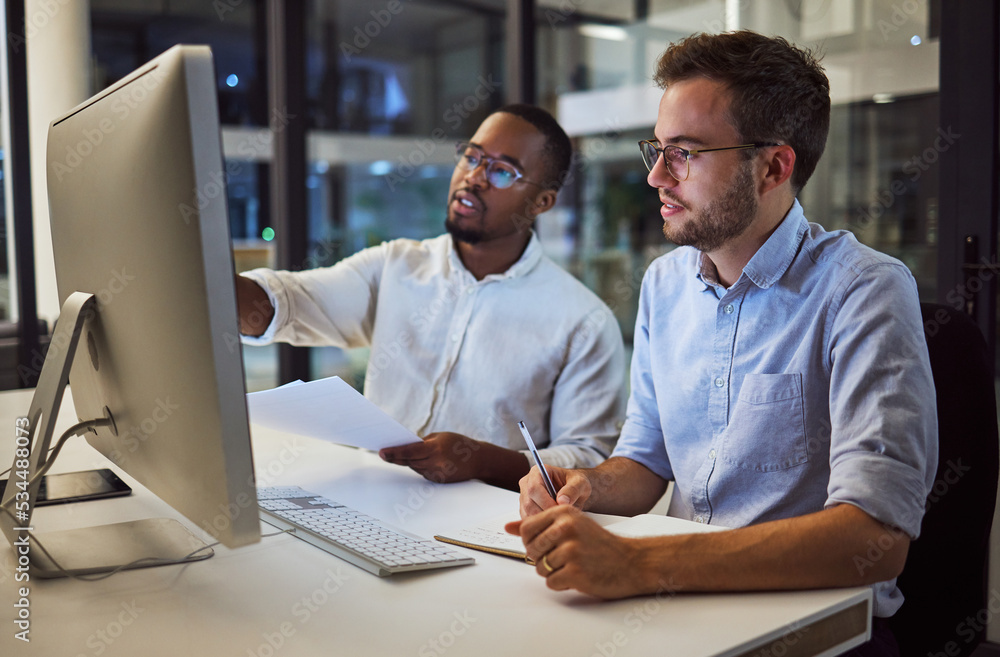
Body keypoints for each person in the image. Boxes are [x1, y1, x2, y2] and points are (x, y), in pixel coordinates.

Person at [506, 31, 936, 656]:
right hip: (681, 607)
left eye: (684, 152)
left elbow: (873, 539)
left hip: (813, 632)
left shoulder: (863, 291)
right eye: (657, 148)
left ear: (773, 166)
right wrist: (583, 485)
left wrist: (638, 565)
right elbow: (646, 464)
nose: (655, 175)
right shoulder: (664, 284)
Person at [236, 104, 626, 492]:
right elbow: (285, 305)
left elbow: (588, 457)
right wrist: (205, 277)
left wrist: (482, 460)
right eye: (472, 157)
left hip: (486, 523)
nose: (474, 177)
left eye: (502, 171)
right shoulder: (395, 265)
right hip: (372, 495)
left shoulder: (583, 319)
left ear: (542, 202)